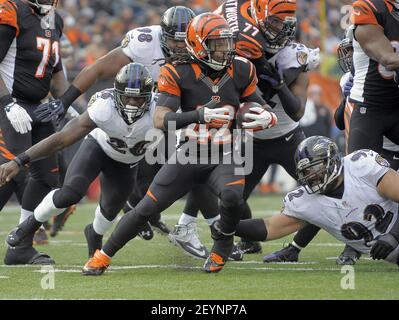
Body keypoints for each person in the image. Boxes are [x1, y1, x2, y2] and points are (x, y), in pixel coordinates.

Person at [80, 12, 277, 276]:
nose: (225, 50)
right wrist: (199, 115)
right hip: (189, 153)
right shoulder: (177, 71)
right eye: (217, 44)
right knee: (146, 208)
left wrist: (268, 114)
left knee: (232, 198)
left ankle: (221, 247)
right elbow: (161, 119)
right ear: (198, 45)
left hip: (226, 152)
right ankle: (103, 256)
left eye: (227, 43)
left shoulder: (241, 68)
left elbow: (256, 102)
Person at [35, 5, 221, 259]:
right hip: (146, 111)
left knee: (193, 163)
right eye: (172, 41)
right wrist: (65, 100)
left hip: (181, 107)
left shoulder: (202, 48)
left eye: (183, 42)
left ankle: (182, 223)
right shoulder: (145, 42)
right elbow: (100, 68)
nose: (178, 48)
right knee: (153, 170)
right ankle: (148, 214)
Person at [169, 0, 321, 256]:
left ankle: (295, 248)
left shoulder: (297, 57)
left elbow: (297, 111)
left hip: (287, 137)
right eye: (275, 22)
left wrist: (281, 84)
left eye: (284, 25)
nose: (281, 30)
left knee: (321, 188)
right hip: (252, 140)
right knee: (232, 199)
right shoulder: (236, 59)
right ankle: (239, 240)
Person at [3, 63, 157, 261]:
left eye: (138, 98)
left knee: (109, 212)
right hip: (98, 147)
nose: (131, 103)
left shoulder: (158, 111)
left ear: (150, 97)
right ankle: (29, 225)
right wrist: (20, 160)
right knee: (71, 192)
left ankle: (94, 235)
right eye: (127, 97)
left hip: (127, 162)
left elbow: (169, 152)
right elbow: (61, 139)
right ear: (117, 93)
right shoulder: (104, 106)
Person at [234, 136, 399, 267]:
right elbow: (269, 228)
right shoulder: (307, 200)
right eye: (305, 172)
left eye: (315, 168)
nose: (311, 176)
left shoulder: (361, 166)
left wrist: (394, 236)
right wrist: (229, 226)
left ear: (332, 161)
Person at [0, 0, 70, 265]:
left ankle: (21, 243)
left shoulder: (55, 19)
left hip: (38, 108)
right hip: (9, 104)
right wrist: (7, 103)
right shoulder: (10, 10)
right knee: (13, 171)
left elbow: (56, 67)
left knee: (47, 175)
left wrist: (67, 103)